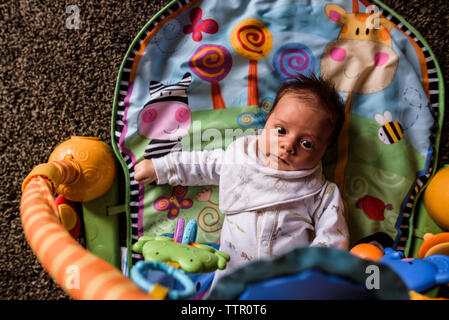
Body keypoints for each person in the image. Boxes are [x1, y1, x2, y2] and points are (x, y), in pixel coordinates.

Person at [134, 73, 349, 288]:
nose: (288, 146)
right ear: (266, 124)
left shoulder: (321, 192)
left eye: (307, 144)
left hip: (285, 283)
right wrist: (160, 167)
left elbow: (332, 237)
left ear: (324, 152)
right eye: (281, 131)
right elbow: (201, 164)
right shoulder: (240, 159)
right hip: (232, 276)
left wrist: (312, 274)